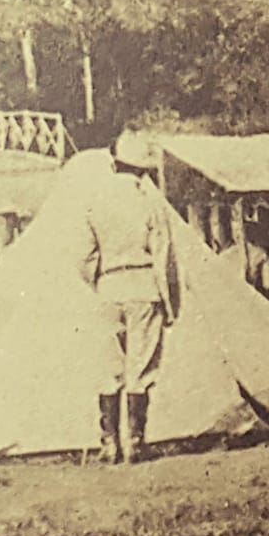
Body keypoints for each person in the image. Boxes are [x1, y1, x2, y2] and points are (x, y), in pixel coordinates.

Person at [77, 130, 179, 464]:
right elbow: (163, 256)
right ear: (142, 170)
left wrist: (98, 283)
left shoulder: (94, 202)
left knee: (109, 367)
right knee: (141, 367)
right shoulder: (150, 203)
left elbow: (84, 256)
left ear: (114, 164)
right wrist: (169, 301)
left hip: (109, 287)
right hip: (143, 285)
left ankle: (108, 442)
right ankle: (136, 441)